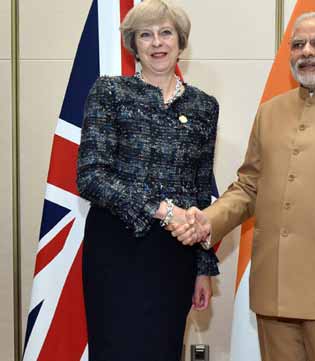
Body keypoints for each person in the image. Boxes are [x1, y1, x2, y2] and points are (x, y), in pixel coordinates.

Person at [171, 12, 315, 361]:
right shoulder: (270, 112)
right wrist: (209, 220)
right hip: (274, 289)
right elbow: (248, 186)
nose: (307, 51)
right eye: (298, 45)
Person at [76, 1, 219, 360]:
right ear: (134, 46)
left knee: (164, 349)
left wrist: (203, 268)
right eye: (146, 34)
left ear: (180, 41)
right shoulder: (109, 92)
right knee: (116, 349)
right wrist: (163, 211)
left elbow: (202, 189)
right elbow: (91, 175)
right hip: (116, 248)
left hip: (176, 254)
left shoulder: (204, 106)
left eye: (166, 32)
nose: (157, 42)